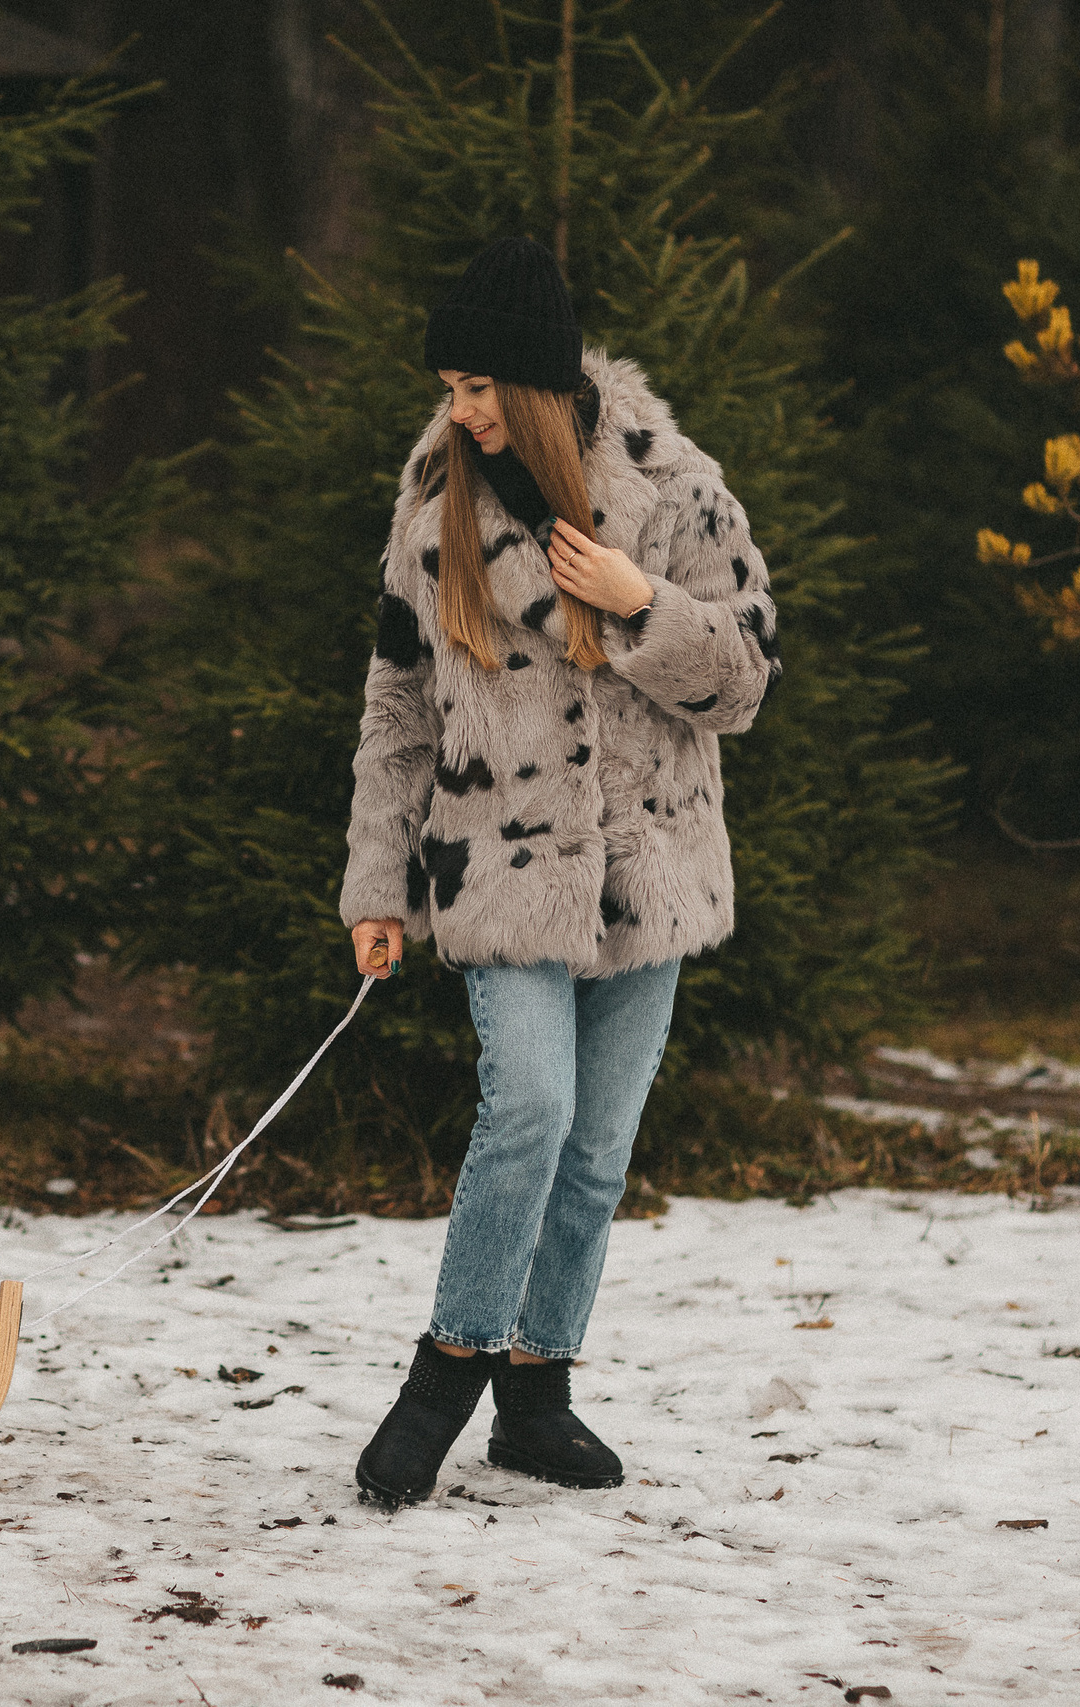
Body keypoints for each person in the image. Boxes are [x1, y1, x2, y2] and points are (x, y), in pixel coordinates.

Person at [341, 237, 781, 1509]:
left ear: (536, 385)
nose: (460, 410)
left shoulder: (677, 489)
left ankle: (536, 1397)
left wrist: (642, 603)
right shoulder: (435, 512)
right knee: (528, 1110)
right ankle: (442, 1379)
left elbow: (746, 683)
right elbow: (396, 709)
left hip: (649, 870)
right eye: (450, 388)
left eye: (479, 388)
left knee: (595, 1151)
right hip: (501, 867)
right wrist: (377, 887)